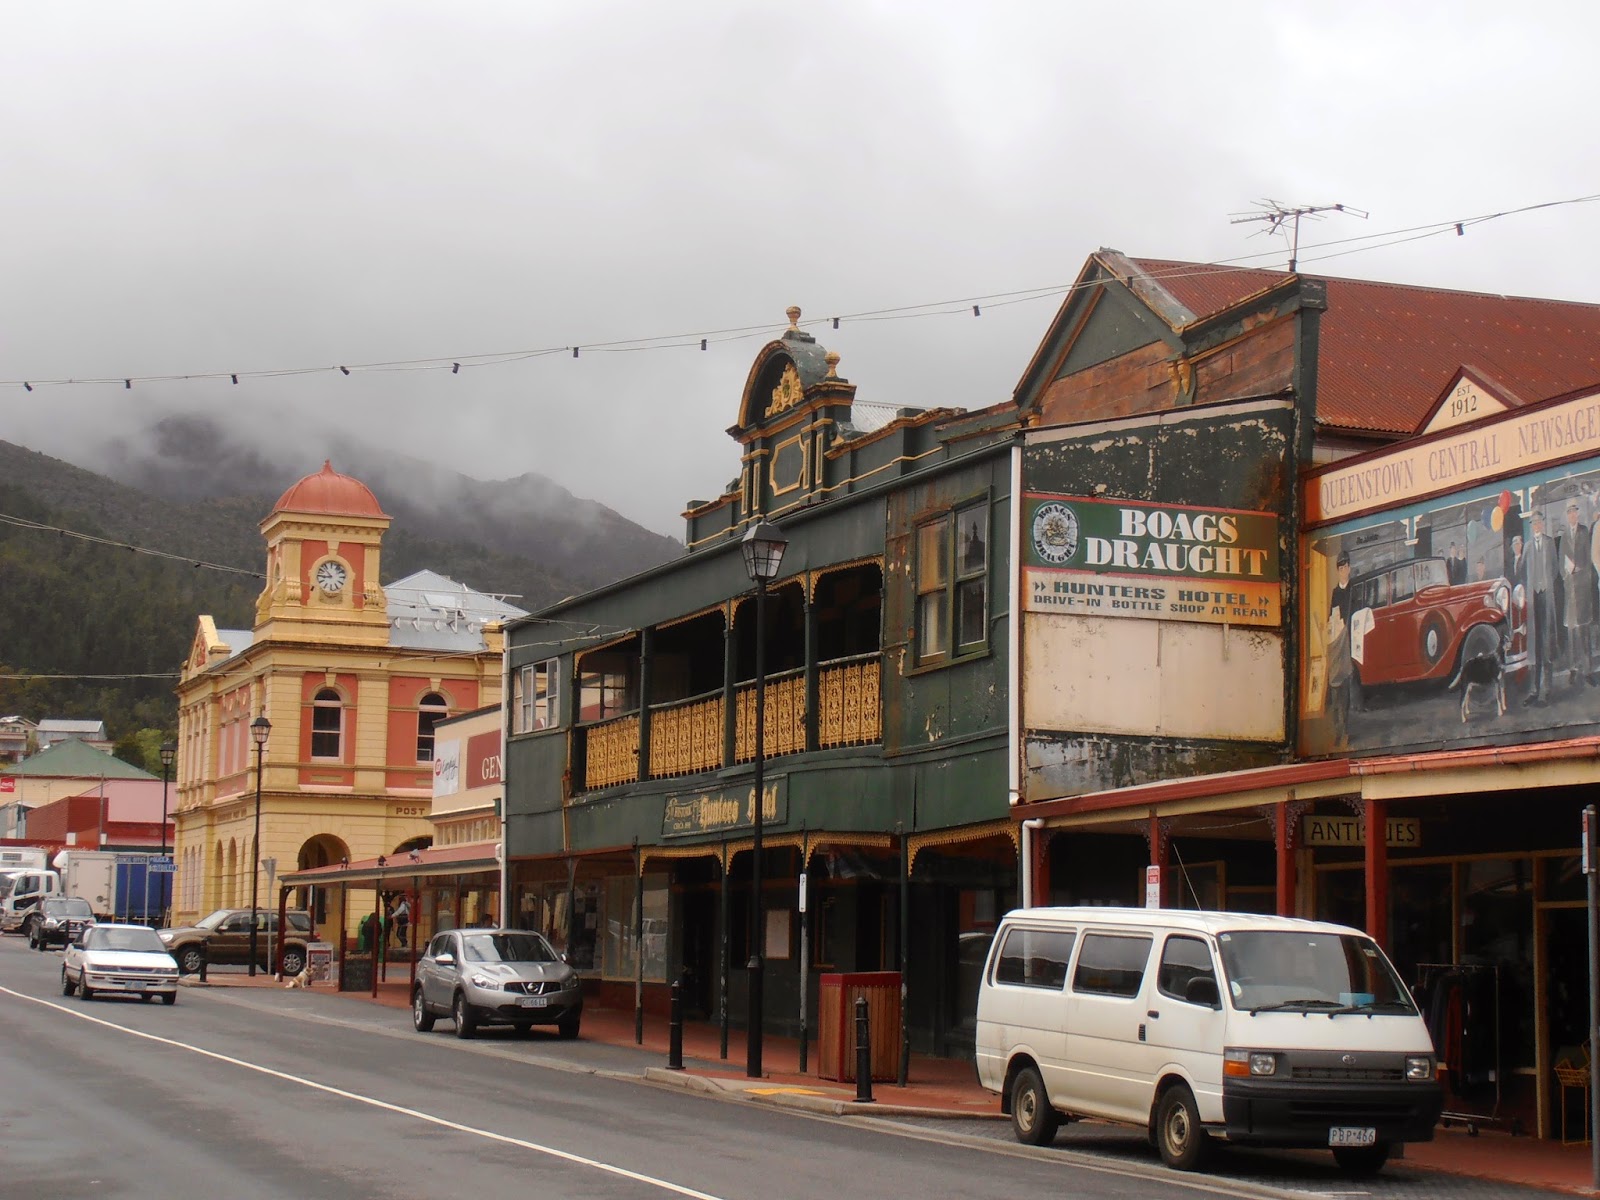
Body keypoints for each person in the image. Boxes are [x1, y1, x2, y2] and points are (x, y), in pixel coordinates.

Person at [1525, 509, 1559, 706]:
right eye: (1534, 523)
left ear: (1543, 524)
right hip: (1533, 600)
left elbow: (1555, 569)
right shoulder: (1528, 547)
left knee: (1546, 644)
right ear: (1531, 527)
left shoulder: (1549, 543)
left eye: (1539, 522)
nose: (1537, 526)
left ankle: (1546, 690)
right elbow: (1522, 570)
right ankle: (1534, 690)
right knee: (1535, 646)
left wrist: (1545, 585)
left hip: (1546, 597)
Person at [1561, 500, 1595, 685]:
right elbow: (1561, 563)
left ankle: (1588, 671)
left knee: (1584, 633)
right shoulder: (1564, 535)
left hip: (1582, 590)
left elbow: (1589, 560)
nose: (1572, 515)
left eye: (1574, 512)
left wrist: (1579, 570)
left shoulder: (1584, 532)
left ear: (1578, 514)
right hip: (1570, 591)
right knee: (1571, 635)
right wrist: (1566, 574)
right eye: (1569, 512)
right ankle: (1573, 669)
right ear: (1567, 516)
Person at [1325, 550, 1354, 745]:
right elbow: (1331, 617)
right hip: (1337, 643)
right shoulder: (1335, 593)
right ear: (1338, 570)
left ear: (1349, 568)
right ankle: (1338, 731)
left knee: (1346, 691)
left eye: (1346, 567)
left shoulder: (1354, 590)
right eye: (1341, 568)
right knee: (1335, 689)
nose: (1344, 571)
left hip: (1350, 644)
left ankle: (1346, 731)